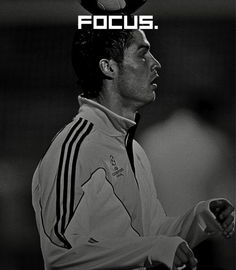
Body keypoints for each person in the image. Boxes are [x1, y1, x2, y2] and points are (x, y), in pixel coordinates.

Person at [32, 27, 235, 270]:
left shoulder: (136, 150)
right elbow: (59, 257)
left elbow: (152, 233)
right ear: (109, 68)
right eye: (142, 54)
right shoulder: (74, 147)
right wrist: (152, 249)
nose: (156, 63)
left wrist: (200, 219)